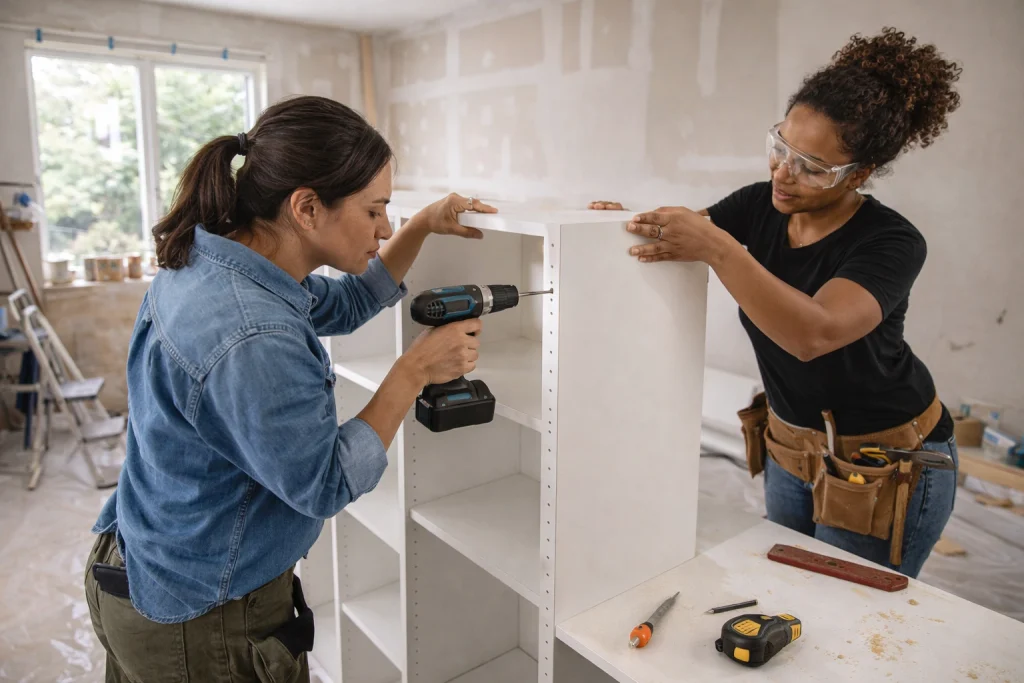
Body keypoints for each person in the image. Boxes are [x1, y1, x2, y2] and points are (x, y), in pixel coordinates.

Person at [84, 95, 496, 681]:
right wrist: (413, 373)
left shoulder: (220, 259)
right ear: (306, 207)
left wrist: (423, 224)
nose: (384, 227)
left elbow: (351, 301)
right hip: (199, 622)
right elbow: (322, 484)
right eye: (375, 211)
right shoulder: (252, 332)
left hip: (143, 564)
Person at [591, 28, 962, 577]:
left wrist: (717, 246)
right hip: (789, 447)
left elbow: (814, 333)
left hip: (882, 461)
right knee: (787, 592)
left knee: (846, 617)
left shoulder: (891, 242)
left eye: (812, 166)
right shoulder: (759, 205)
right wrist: (616, 226)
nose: (782, 173)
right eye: (780, 147)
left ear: (858, 175)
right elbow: (682, 236)